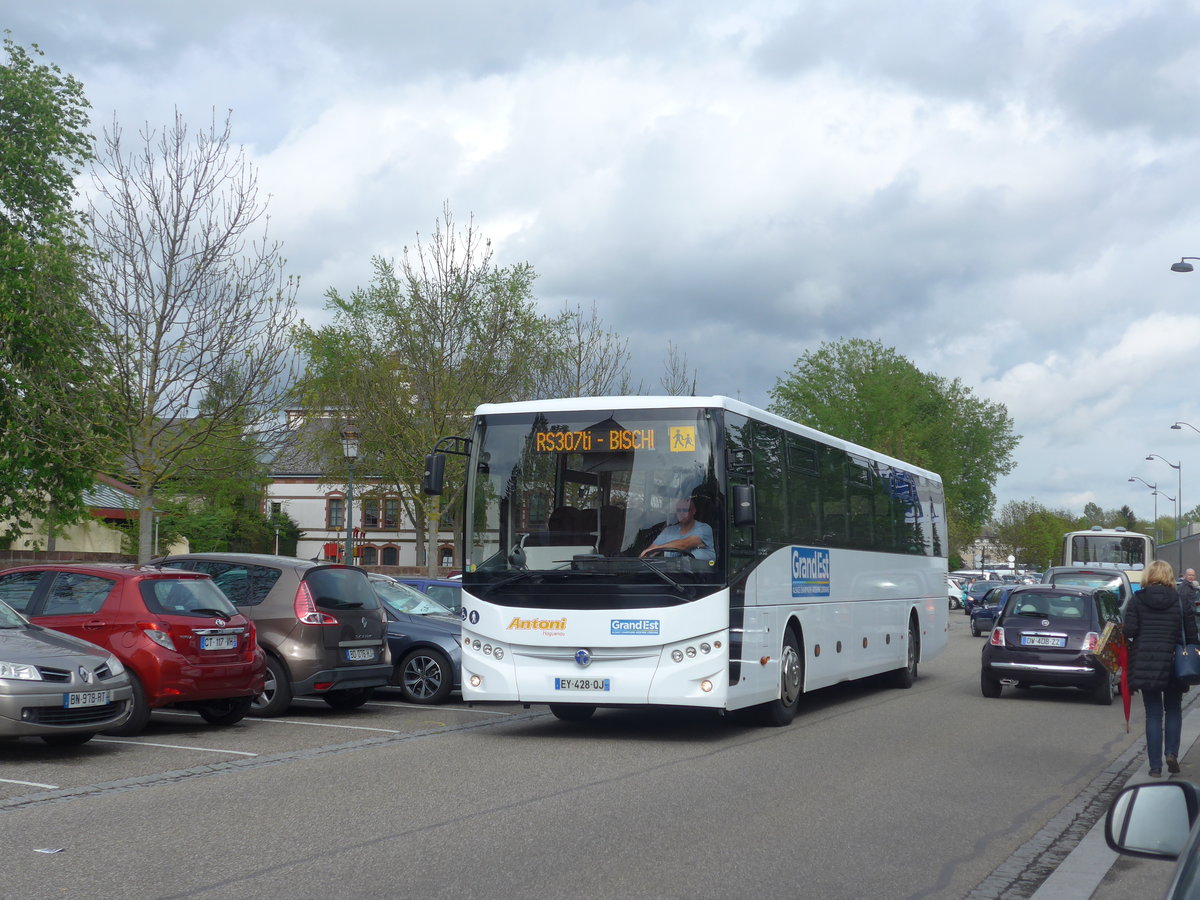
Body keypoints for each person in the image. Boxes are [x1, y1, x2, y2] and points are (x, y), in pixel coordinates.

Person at [1125, 559, 1199, 777]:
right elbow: (1192, 634)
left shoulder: (1137, 600)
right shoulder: (1180, 600)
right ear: (1169, 576)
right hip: (1174, 662)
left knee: (1153, 714)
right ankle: (1172, 753)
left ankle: (1154, 766)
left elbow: (1129, 630)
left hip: (1146, 662)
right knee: (1174, 709)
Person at [639, 497, 715, 560]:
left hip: (702, 576)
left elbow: (685, 544)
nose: (682, 513)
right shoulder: (669, 531)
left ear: (694, 511)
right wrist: (646, 555)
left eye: (685, 510)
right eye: (679, 510)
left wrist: (654, 549)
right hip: (670, 576)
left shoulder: (704, 529)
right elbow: (651, 551)